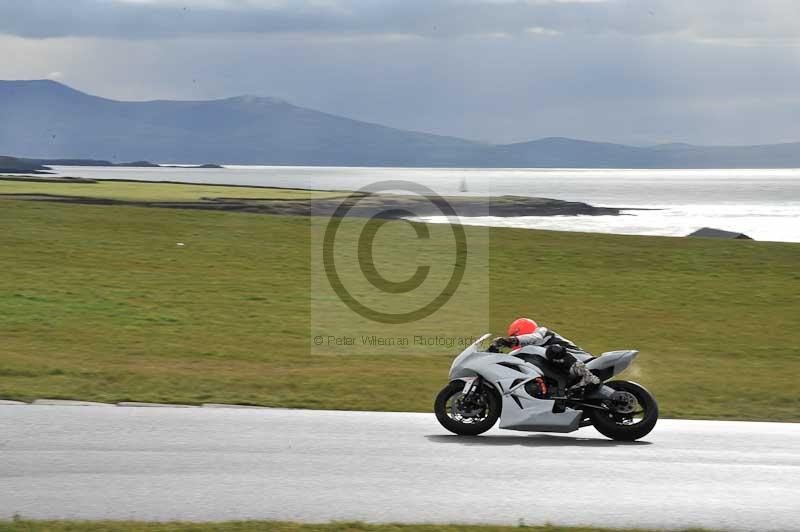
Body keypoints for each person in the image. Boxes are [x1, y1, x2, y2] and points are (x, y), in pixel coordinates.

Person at [491, 317, 600, 391]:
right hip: (563, 369)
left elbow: (533, 338)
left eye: (515, 334)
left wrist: (511, 340)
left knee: (552, 350)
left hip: (581, 357)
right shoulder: (531, 349)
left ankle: (587, 375)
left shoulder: (540, 332)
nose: (515, 338)